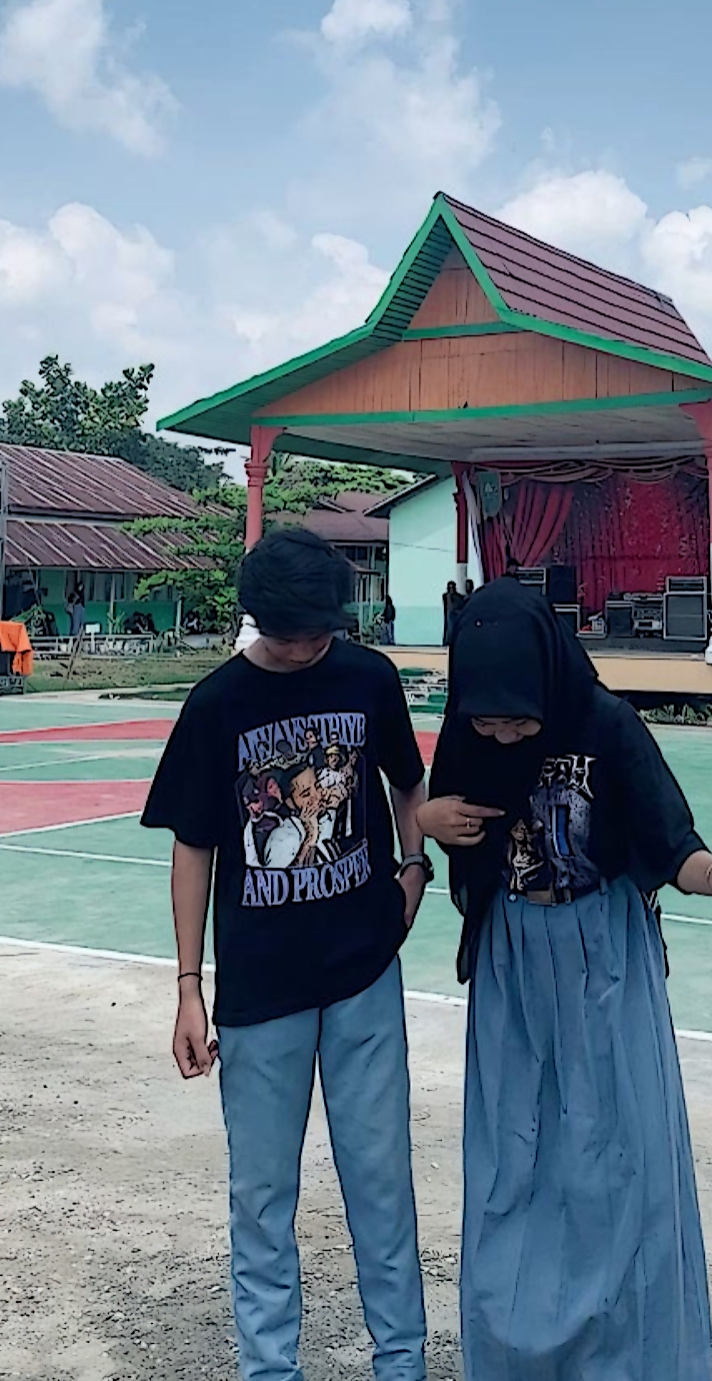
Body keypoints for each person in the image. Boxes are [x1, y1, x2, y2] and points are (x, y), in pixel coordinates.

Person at [417, 577, 712, 1381]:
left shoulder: (607, 725)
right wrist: (426, 820)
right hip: (513, 964)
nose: (503, 734)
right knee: (513, 1156)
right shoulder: (471, 732)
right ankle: (516, 1351)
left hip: (605, 960)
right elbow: (444, 819)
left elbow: (674, 846)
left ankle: (635, 1355)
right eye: (487, 720)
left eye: (518, 720)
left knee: (619, 1157)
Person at [142, 528, 434, 1381]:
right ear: (259, 619)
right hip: (261, 988)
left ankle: (402, 1364)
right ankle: (270, 1369)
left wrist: (415, 867)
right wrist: (189, 985)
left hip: (363, 972)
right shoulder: (217, 704)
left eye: (321, 630)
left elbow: (406, 780)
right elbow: (193, 845)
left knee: (380, 1182)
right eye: (295, 632)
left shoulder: (368, 677)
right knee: (262, 1196)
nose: (311, 646)